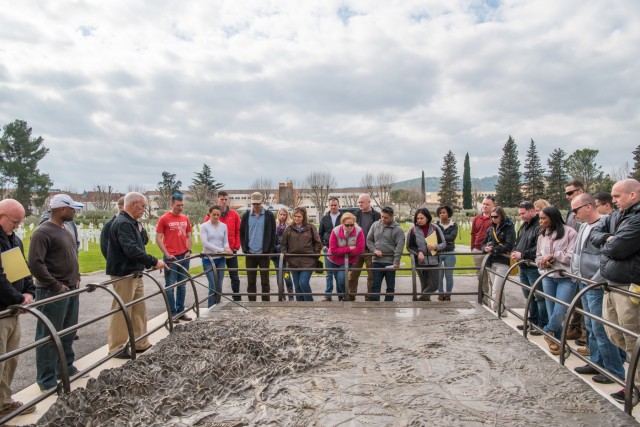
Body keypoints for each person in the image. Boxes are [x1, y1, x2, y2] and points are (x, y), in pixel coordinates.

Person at [590, 179, 640, 404]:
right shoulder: (617, 216)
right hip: (611, 284)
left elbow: (617, 248)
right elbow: (596, 233)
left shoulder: (637, 218)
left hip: (629, 286)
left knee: (632, 340)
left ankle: (634, 388)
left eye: (617, 196)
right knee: (614, 334)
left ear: (633, 195)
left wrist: (609, 242)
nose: (613, 201)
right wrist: (609, 239)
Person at [28, 194, 83, 391]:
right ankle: (47, 379)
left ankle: (65, 368)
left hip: (70, 288)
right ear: (61, 209)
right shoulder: (43, 232)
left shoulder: (65, 229)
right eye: (72, 209)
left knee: (68, 331)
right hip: (53, 292)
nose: (74, 212)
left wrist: (75, 277)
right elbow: (35, 263)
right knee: (48, 335)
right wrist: (55, 285)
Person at [570, 194, 626, 385]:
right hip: (583, 281)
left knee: (601, 328)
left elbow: (607, 256)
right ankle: (596, 361)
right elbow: (578, 253)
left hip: (594, 284)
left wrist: (595, 281)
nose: (573, 214)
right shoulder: (585, 226)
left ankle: (614, 371)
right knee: (591, 327)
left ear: (588, 207)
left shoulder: (603, 225)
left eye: (575, 210)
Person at [106, 192, 166, 358]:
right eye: (142, 206)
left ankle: (140, 342)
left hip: (135, 272)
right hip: (124, 273)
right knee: (122, 310)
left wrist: (147, 263)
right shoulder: (123, 223)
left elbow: (141, 244)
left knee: (139, 309)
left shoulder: (132, 223)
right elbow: (131, 249)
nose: (144, 209)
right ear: (132, 204)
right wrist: (154, 261)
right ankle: (116, 347)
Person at [0, 199, 36, 415]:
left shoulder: (15, 240)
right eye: (14, 221)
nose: (17, 226)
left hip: (12, 309)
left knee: (10, 359)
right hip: (3, 309)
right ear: (1, 215)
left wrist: (29, 291)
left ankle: (4, 402)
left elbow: (22, 271)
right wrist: (17, 298)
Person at [535, 206, 577, 356]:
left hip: (566, 278)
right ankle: (559, 343)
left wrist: (554, 255)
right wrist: (542, 262)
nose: (540, 221)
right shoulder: (542, 236)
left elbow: (572, 256)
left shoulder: (570, 233)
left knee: (560, 311)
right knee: (552, 311)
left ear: (553, 218)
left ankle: (547, 331)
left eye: (543, 218)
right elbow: (538, 255)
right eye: (539, 218)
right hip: (549, 276)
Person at [511, 201, 546, 335]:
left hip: (532, 267)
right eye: (520, 214)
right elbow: (518, 241)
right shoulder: (524, 226)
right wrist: (515, 251)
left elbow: (538, 248)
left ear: (532, 211)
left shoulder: (539, 226)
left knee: (539, 297)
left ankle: (542, 325)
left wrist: (523, 254)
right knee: (529, 296)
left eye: (523, 213)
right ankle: (532, 321)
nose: (521, 216)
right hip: (523, 266)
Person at [156, 193, 192, 322]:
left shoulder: (185, 218)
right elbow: (158, 239)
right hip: (171, 257)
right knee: (170, 286)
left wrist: (188, 250)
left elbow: (189, 235)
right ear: (171, 204)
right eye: (178, 205)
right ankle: (172, 313)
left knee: (182, 285)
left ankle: (181, 311)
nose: (180, 208)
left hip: (184, 255)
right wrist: (166, 254)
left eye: (182, 205)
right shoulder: (164, 218)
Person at [240, 192, 276, 301]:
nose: (255, 206)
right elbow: (242, 232)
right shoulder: (246, 215)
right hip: (250, 253)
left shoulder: (269, 215)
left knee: (265, 281)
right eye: (253, 204)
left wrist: (269, 250)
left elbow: (273, 233)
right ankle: (252, 303)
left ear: (262, 203)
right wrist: (245, 249)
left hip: (264, 254)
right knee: (251, 281)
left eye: (257, 204)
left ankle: (265, 303)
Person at [280, 207, 322, 302]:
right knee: (297, 286)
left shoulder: (311, 227)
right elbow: (283, 245)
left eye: (299, 216)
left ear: (304, 217)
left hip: (308, 261)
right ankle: (300, 306)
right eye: (295, 216)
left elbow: (318, 243)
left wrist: (315, 256)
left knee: (303, 282)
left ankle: (310, 304)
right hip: (293, 262)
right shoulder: (289, 229)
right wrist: (287, 256)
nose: (296, 218)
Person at [206, 191, 242, 301]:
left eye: (226, 199)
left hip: (230, 250)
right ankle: (216, 300)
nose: (224, 201)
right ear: (217, 199)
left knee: (234, 276)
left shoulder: (234, 214)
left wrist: (236, 245)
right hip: (217, 252)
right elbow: (206, 231)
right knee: (217, 278)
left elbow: (238, 231)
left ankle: (236, 298)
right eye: (222, 199)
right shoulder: (210, 216)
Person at [481, 206, 516, 314]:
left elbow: (509, 245)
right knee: (497, 287)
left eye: (496, 217)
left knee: (497, 288)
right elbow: (483, 243)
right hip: (492, 261)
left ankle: (494, 308)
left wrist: (494, 249)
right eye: (491, 217)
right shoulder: (490, 228)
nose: (493, 219)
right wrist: (485, 248)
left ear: (501, 216)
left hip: (503, 261)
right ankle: (501, 310)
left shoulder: (509, 227)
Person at [368, 206, 405, 302]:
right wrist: (374, 250)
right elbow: (369, 240)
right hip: (376, 261)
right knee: (375, 285)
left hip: (390, 263)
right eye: (382, 216)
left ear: (392, 217)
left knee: (390, 286)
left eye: (386, 217)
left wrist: (396, 262)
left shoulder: (399, 230)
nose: (383, 219)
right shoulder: (375, 225)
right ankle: (375, 305)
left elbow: (399, 247)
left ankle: (389, 305)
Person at [407, 208, 445, 302]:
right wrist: (418, 252)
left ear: (427, 218)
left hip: (435, 261)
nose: (419, 220)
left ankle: (419, 300)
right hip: (420, 262)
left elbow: (443, 243)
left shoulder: (435, 228)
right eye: (417, 218)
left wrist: (435, 247)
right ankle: (424, 307)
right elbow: (409, 246)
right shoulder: (412, 230)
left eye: (421, 218)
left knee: (434, 285)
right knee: (424, 285)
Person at [347, 194, 381, 301]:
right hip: (357, 250)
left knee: (371, 275)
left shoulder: (377, 215)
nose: (359, 204)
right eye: (359, 202)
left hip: (370, 250)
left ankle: (369, 297)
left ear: (369, 202)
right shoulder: (355, 214)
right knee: (352, 275)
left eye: (362, 202)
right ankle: (351, 296)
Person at [564, 181, 585, 340]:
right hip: (572, 260)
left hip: (585, 260)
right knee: (575, 298)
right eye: (566, 194)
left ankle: (585, 333)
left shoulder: (588, 212)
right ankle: (575, 328)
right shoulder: (570, 214)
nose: (567, 196)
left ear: (581, 191)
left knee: (586, 300)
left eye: (570, 193)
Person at [328, 212, 365, 301]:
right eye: (347, 225)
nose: (349, 227)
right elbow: (333, 250)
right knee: (338, 280)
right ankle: (341, 299)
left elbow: (360, 250)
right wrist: (349, 248)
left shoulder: (359, 231)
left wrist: (342, 251)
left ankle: (345, 297)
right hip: (333, 259)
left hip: (348, 260)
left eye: (352, 225)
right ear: (342, 223)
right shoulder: (335, 231)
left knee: (341, 279)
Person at [200, 205, 231, 307]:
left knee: (219, 285)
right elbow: (205, 243)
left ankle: (217, 305)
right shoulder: (204, 226)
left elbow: (225, 241)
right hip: (208, 259)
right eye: (214, 215)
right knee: (213, 285)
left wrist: (227, 248)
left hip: (221, 259)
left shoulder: (224, 226)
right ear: (209, 214)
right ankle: (210, 307)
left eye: (218, 215)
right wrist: (221, 250)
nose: (216, 217)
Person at [471, 196, 495, 302]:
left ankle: (494, 300)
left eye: (487, 204)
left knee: (492, 277)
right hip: (478, 251)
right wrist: (472, 248)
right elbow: (473, 234)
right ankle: (484, 300)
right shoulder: (477, 218)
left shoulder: (495, 218)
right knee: (481, 276)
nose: (484, 206)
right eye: (484, 204)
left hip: (490, 252)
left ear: (493, 206)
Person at [318, 197, 342, 301]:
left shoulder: (343, 217)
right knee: (329, 273)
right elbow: (320, 233)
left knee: (339, 274)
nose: (333, 207)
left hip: (340, 249)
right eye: (331, 205)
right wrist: (322, 246)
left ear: (338, 205)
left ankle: (341, 295)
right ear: (329, 206)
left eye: (335, 205)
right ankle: (328, 295)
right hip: (327, 248)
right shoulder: (324, 218)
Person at [435, 206, 458, 301]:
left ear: (448, 213)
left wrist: (440, 238)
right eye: (440, 213)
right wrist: (445, 239)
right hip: (438, 253)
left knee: (449, 275)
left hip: (450, 253)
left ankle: (448, 294)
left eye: (444, 212)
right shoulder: (436, 225)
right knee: (439, 275)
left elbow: (452, 238)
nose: (442, 214)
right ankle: (440, 294)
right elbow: (435, 237)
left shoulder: (454, 225)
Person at [272, 207, 294, 301]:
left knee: (286, 275)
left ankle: (290, 295)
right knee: (278, 275)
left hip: (286, 254)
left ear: (286, 215)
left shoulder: (289, 225)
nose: (282, 216)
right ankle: (282, 294)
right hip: (276, 254)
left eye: (284, 214)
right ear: (278, 215)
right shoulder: (274, 225)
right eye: (280, 214)